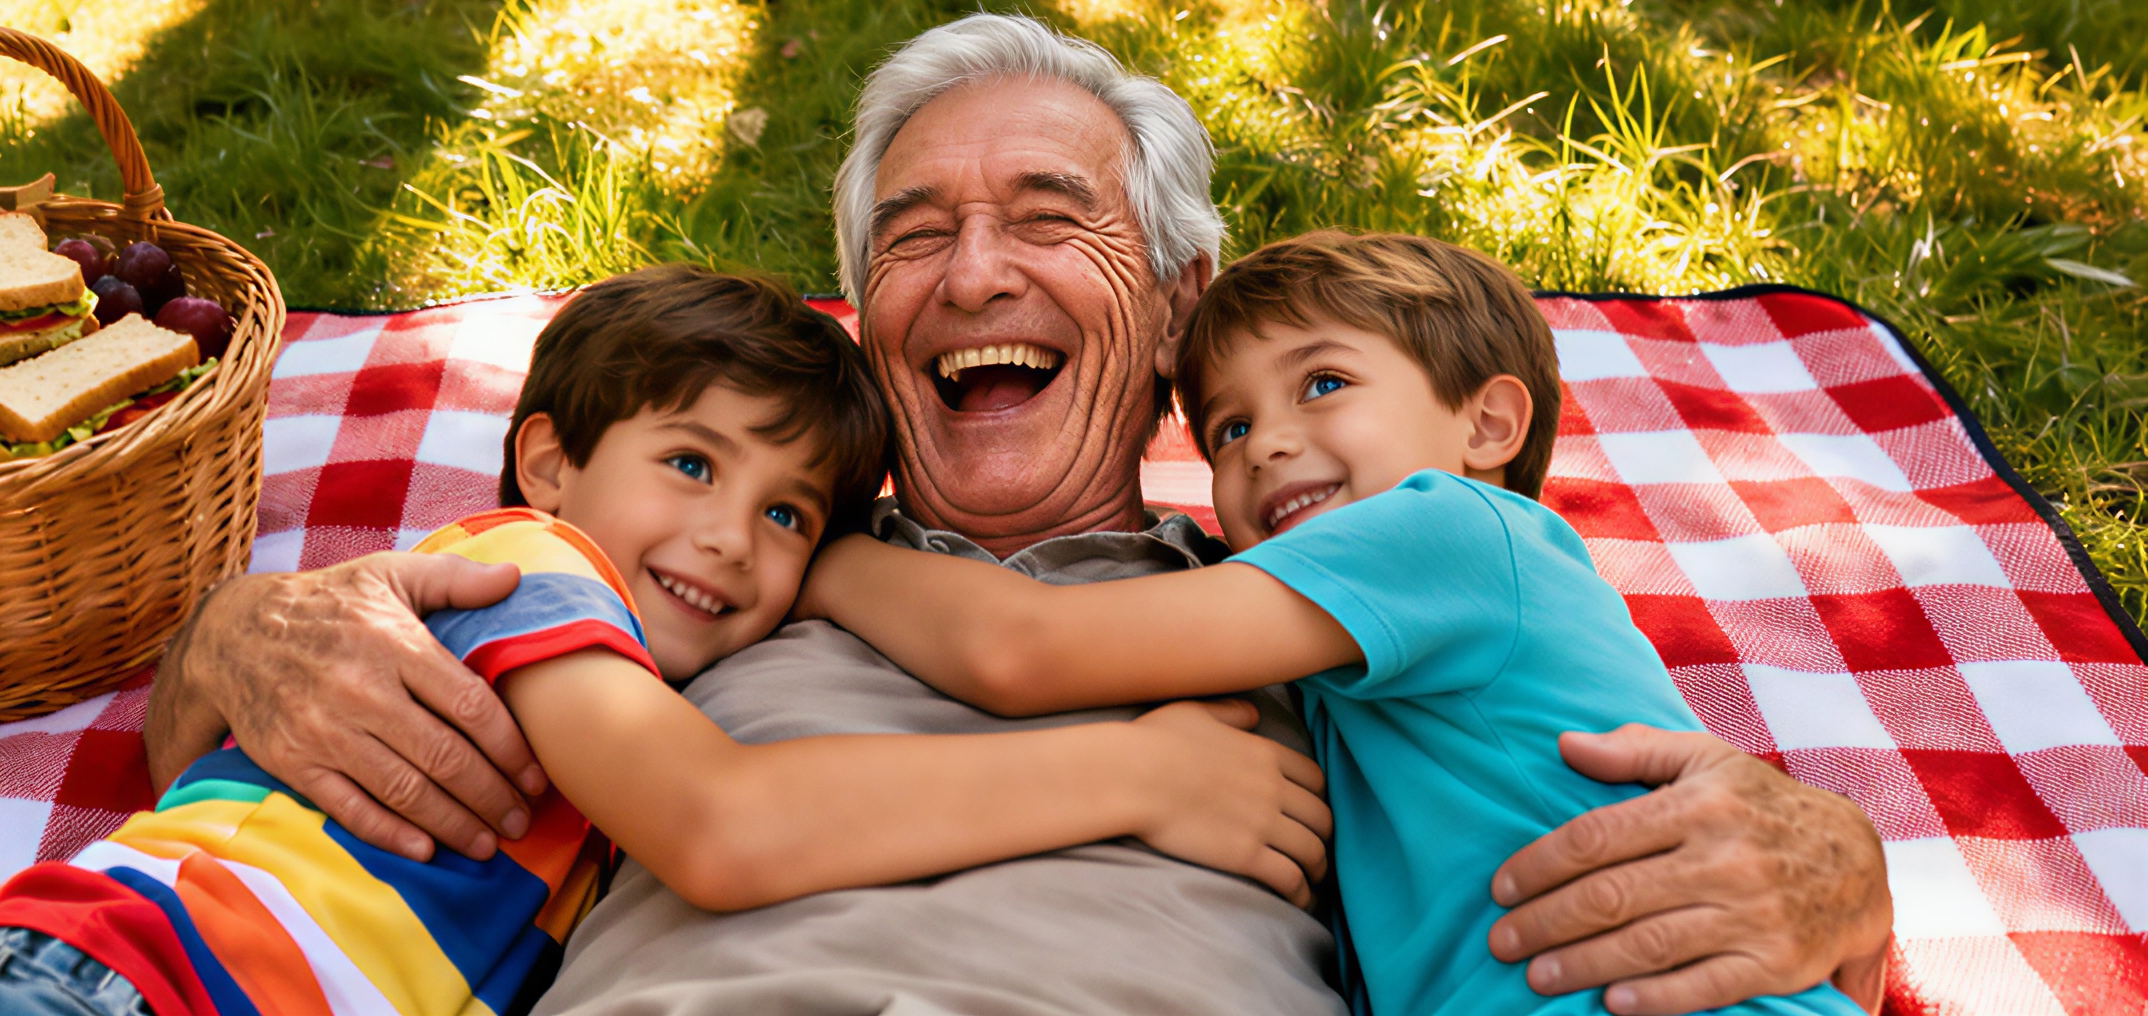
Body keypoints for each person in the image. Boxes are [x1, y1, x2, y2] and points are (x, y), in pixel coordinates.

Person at [150, 14, 1894, 1016]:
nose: (974, 272)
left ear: (1179, 301)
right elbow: (245, 770)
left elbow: (1585, 789)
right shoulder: (706, 572)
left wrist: (1843, 874)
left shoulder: (1312, 624)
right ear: (867, 317)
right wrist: (237, 632)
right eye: (913, 237)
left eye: (1051, 217)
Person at [0, 267, 1321, 1016]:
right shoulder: (526, 578)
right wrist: (1137, 777)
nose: (731, 539)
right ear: (546, 463)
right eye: (690, 466)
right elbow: (727, 826)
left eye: (789, 513)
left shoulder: (637, 668)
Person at [794, 230, 1867, 1016]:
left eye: (1322, 383)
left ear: (1487, 423)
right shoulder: (1341, 653)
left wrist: (828, 557)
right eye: (1228, 428)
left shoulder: (1448, 530)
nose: (1264, 444)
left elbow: (1024, 648)